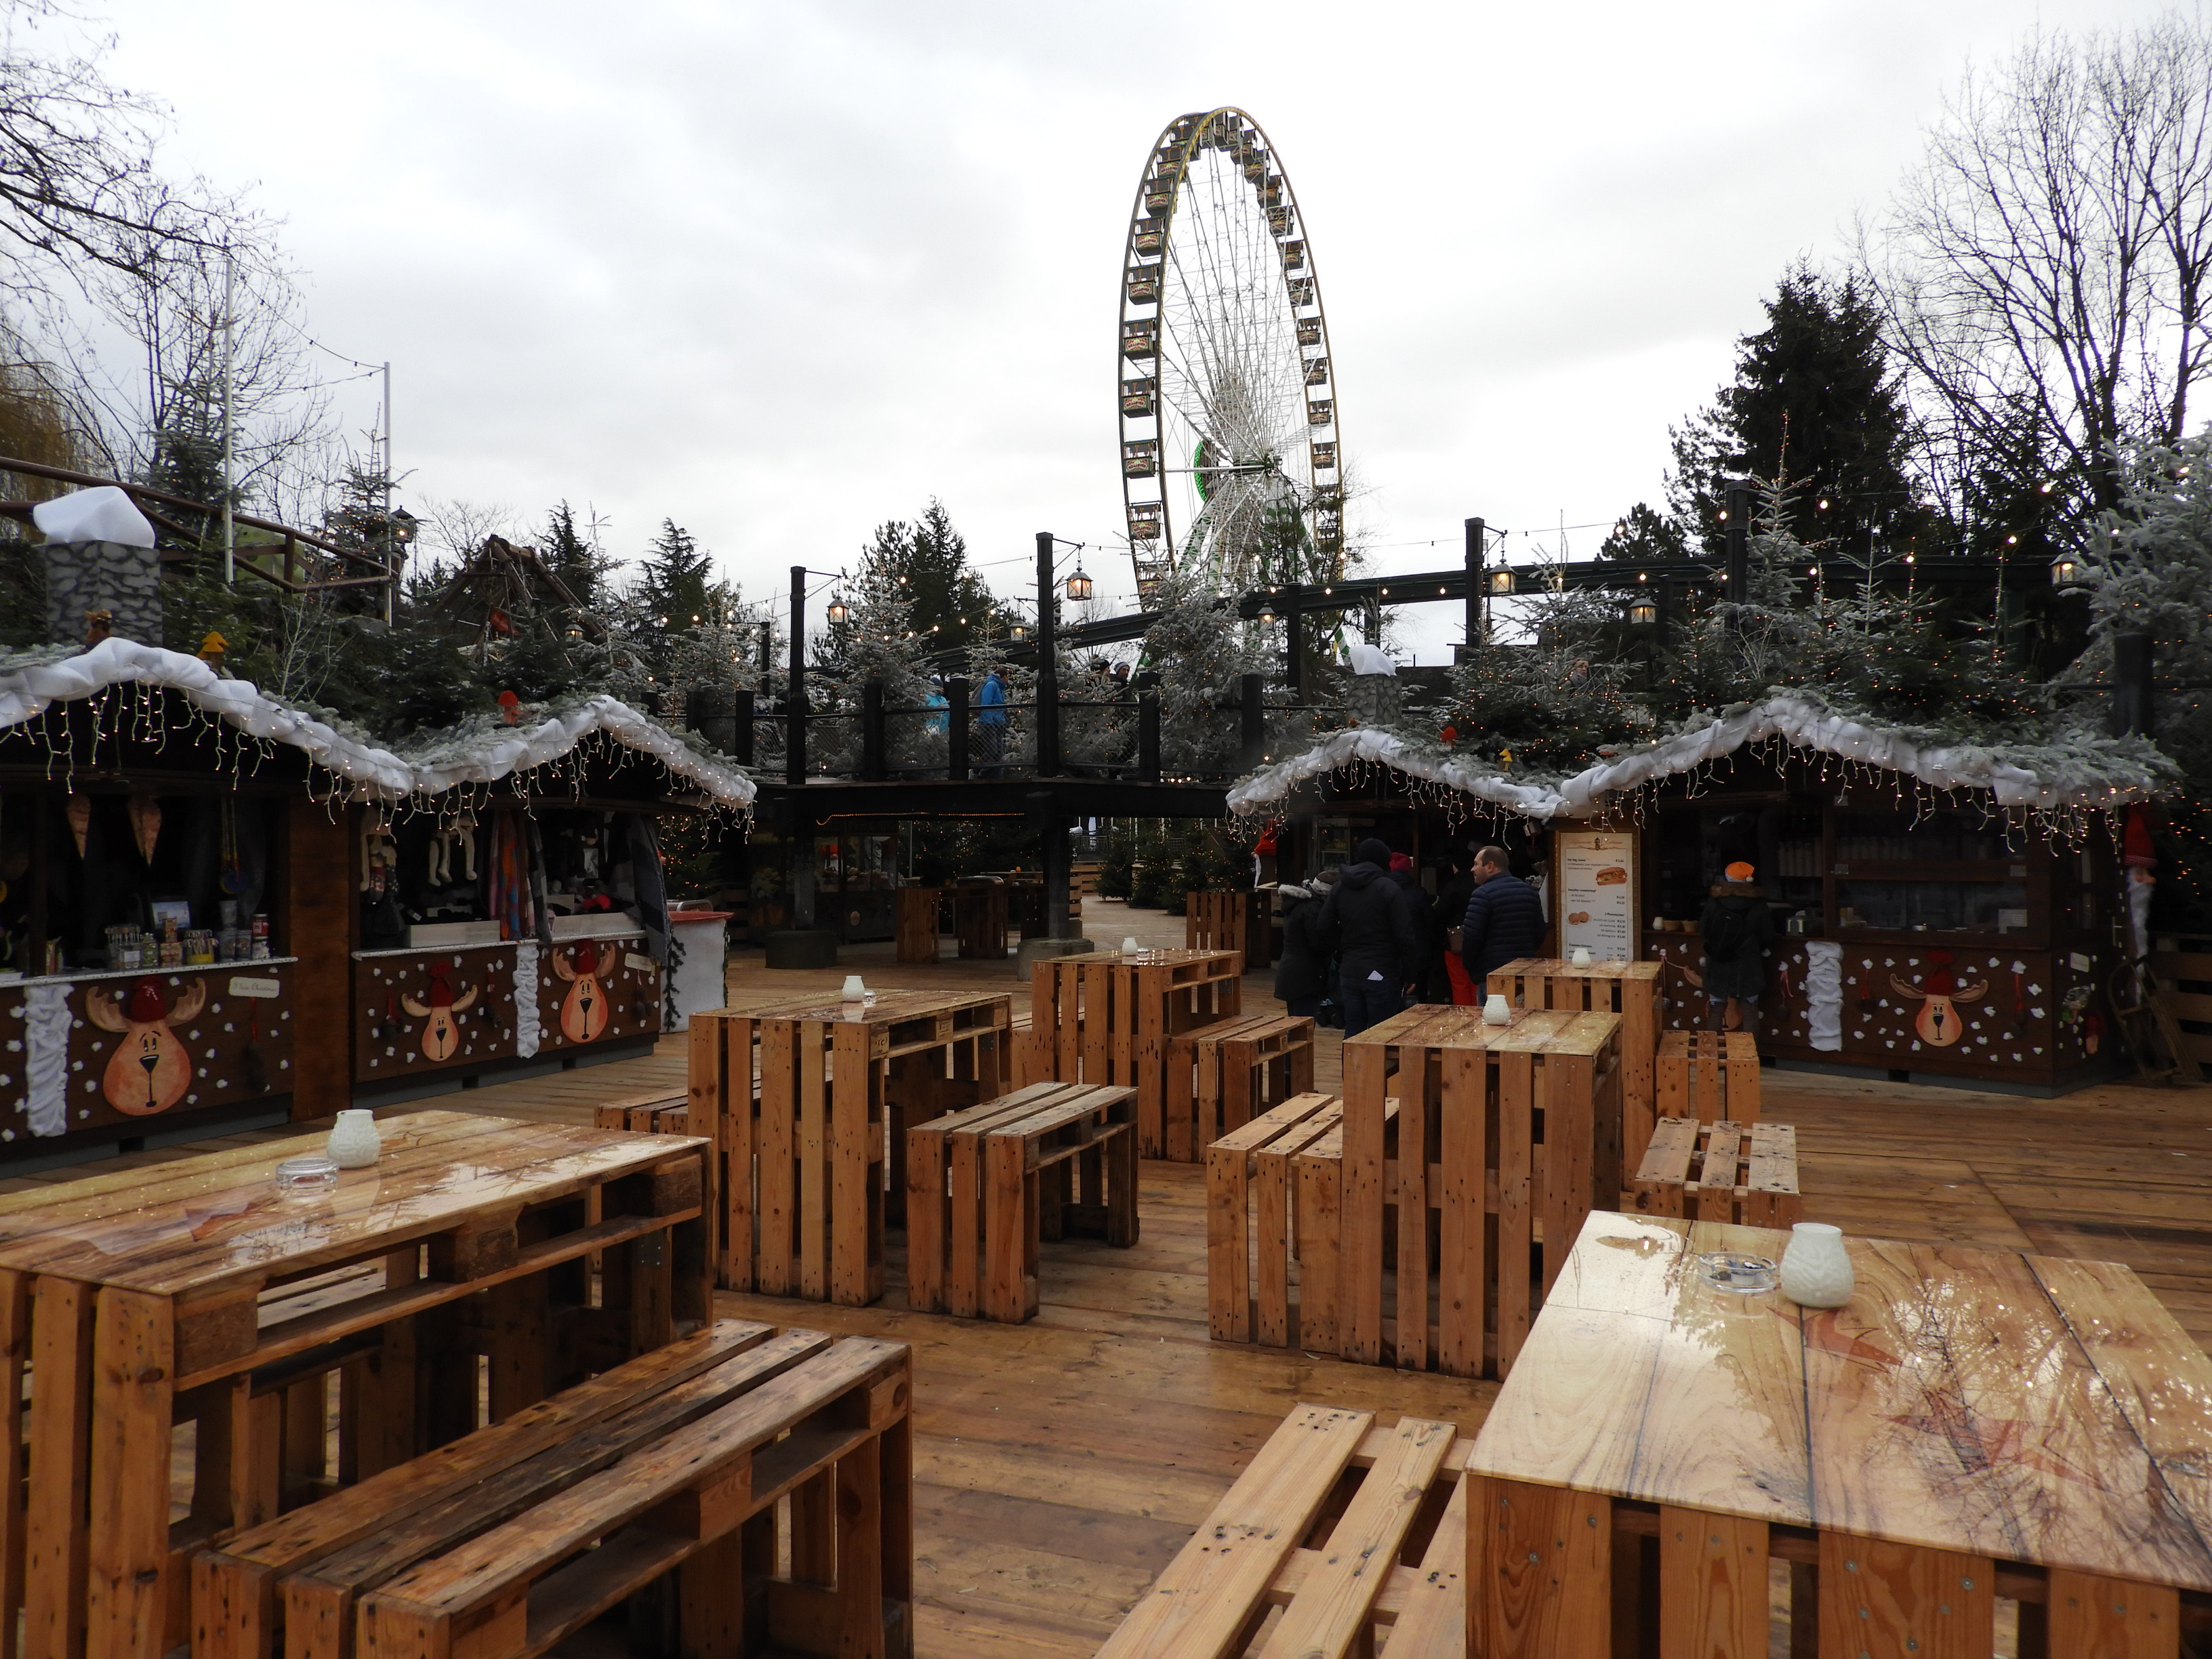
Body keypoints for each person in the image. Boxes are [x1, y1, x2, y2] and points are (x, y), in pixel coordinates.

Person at [1317, 838, 1424, 1037]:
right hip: (1383, 970)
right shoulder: (1389, 888)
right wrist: (1411, 974)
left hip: (1350, 969)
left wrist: (1341, 950)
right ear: (1383, 860)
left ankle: (1351, 1060)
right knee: (1381, 1034)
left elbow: (1323, 926)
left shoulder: (1340, 887)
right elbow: (1405, 936)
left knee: (1353, 1029)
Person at [1699, 861, 1776, 1032]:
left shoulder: (1715, 901)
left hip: (1719, 960)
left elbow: (1703, 930)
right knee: (1750, 1010)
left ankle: (1711, 1047)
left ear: (1727, 878)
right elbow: (1767, 935)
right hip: (1748, 963)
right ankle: (1750, 1049)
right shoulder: (1758, 904)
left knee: (1716, 1009)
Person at [1458, 844, 1545, 989]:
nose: (1472, 869)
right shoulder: (1530, 892)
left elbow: (1471, 937)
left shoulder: (1482, 895)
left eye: (1476, 864)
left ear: (1490, 866)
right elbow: (1540, 932)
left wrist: (1469, 965)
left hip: (1492, 973)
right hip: (1524, 972)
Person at [1387, 853, 1442, 1004]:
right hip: (1418, 952)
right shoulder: (1418, 893)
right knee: (1419, 995)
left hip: (1390, 953)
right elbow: (1430, 922)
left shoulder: (1382, 892)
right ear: (1409, 870)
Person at [1432, 849, 1479, 1004]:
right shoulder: (1481, 886)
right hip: (1478, 940)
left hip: (1455, 941)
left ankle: (1463, 1015)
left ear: (1455, 866)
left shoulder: (1451, 886)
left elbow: (1441, 914)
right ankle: (1479, 1014)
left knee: (1459, 983)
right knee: (1477, 982)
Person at [1273, 882, 1326, 1017]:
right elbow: (1318, 943)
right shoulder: (1312, 909)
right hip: (1306, 973)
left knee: (1295, 1018)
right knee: (1304, 1020)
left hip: (1290, 968)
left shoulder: (1296, 905)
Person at [976, 666, 1008, 775]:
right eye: (1007, 676)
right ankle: (976, 771)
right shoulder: (992, 685)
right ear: (1003, 677)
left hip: (998, 723)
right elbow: (986, 704)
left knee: (999, 752)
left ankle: (993, 775)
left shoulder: (1000, 688)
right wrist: (989, 721)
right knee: (992, 750)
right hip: (989, 723)